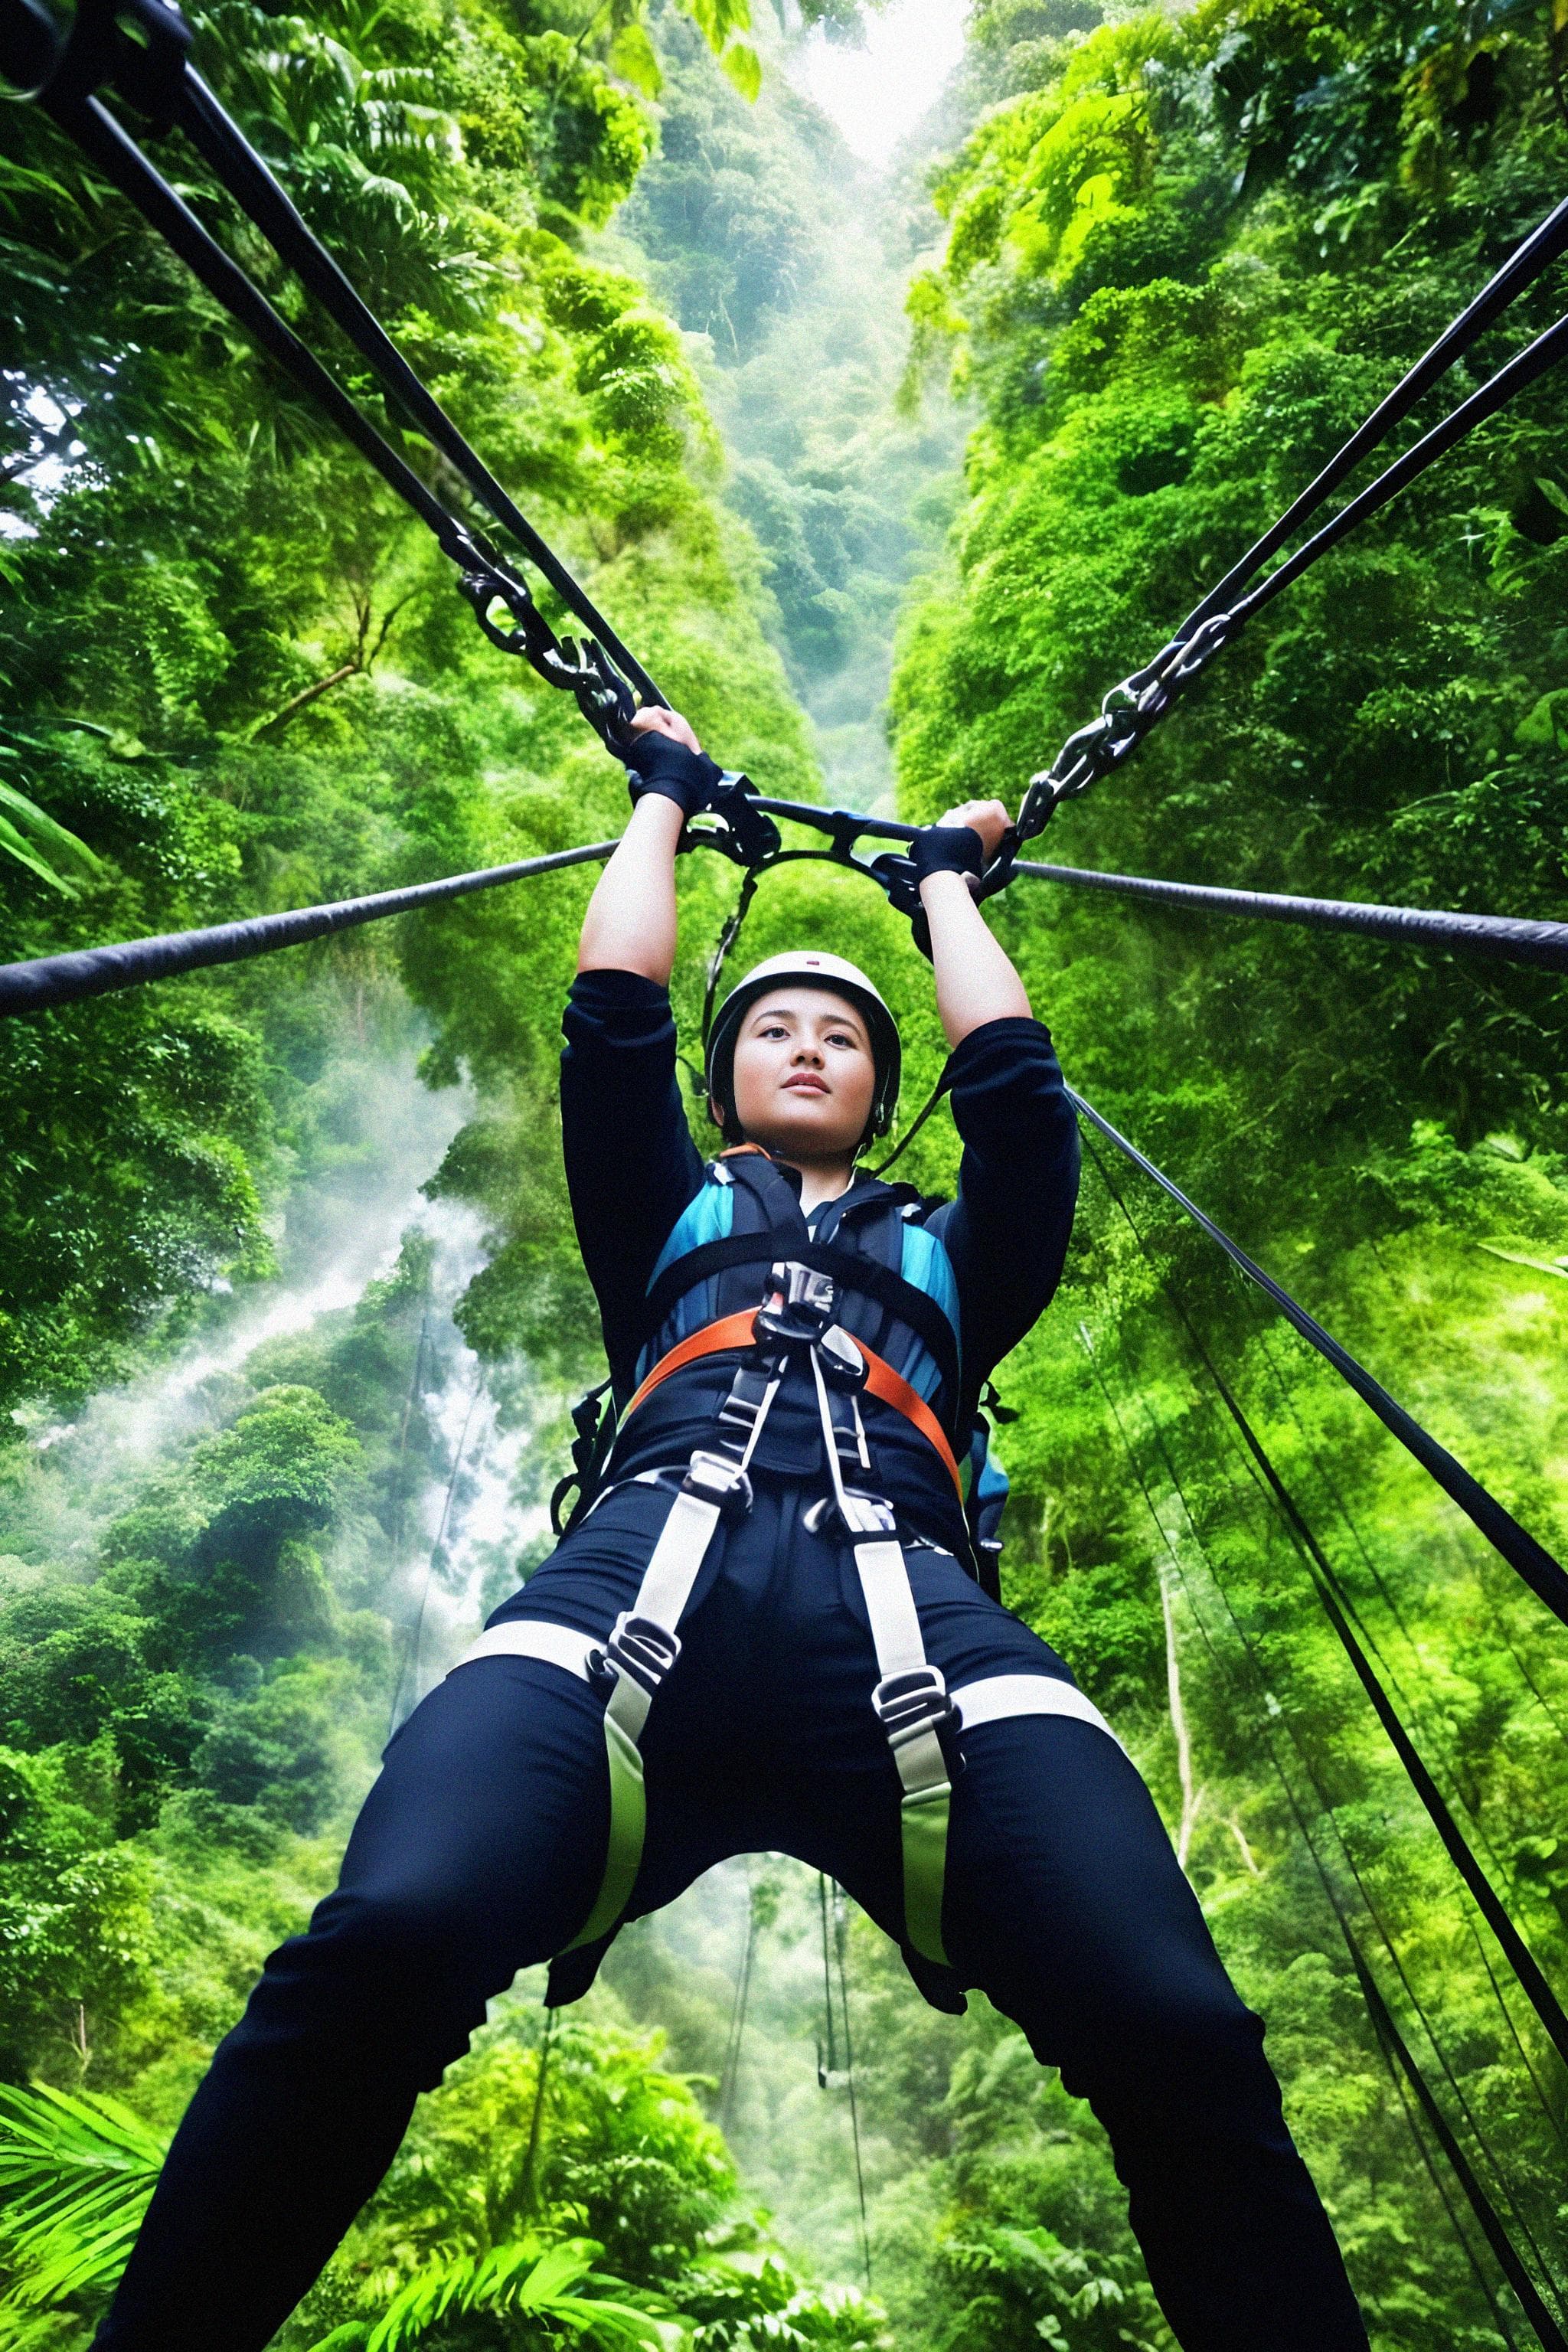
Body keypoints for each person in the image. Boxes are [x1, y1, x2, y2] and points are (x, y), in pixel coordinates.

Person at [92, 707, 1368, 2352]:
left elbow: (1022, 1106)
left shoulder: (958, 1260)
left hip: (915, 1614)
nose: (814, 1042)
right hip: (629, 1582)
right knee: (387, 1943)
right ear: (730, 1078)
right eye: (775, 1025)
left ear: (878, 1084)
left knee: (1176, 2027)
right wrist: (658, 801)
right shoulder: (670, 1215)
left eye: (845, 1031)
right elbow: (612, 1021)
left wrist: (942, 895)